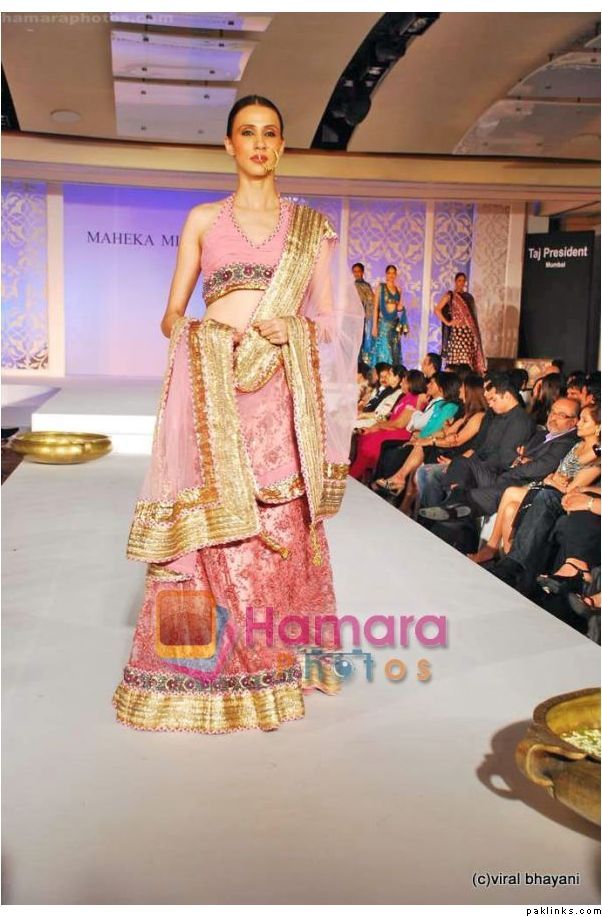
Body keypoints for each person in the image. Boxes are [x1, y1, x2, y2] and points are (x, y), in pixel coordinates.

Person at [112, 95, 364, 735]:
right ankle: (196, 669)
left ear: (281, 146)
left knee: (277, 522)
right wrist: (204, 338)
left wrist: (296, 329)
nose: (258, 143)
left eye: (269, 133)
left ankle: (274, 664)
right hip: (215, 387)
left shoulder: (311, 228)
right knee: (209, 528)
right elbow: (171, 315)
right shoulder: (203, 220)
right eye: (247, 133)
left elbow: (337, 320)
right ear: (229, 144)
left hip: (279, 389)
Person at [349, 369, 426, 481]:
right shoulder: (405, 397)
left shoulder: (414, 399)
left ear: (411, 383)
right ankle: (361, 475)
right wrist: (376, 426)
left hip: (400, 433)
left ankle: (355, 475)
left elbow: (400, 424)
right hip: (390, 428)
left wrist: (379, 426)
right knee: (363, 436)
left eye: (404, 381)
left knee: (369, 442)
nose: (401, 383)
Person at [435, 271, 486, 374]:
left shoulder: (469, 297)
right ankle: (454, 379)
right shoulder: (450, 295)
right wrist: (448, 322)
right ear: (455, 281)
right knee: (456, 360)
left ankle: (466, 378)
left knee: (467, 361)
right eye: (459, 280)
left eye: (463, 281)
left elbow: (473, 318)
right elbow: (437, 310)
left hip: (468, 333)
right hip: (457, 333)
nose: (461, 283)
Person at [371, 264, 409, 366]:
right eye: (389, 273)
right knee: (383, 351)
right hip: (383, 324)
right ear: (386, 274)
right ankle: (382, 373)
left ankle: (393, 374)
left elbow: (399, 308)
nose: (391, 275)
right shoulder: (380, 287)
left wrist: (401, 299)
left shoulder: (398, 289)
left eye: (393, 273)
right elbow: (375, 308)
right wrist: (374, 326)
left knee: (394, 351)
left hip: (394, 325)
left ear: (396, 275)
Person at [352, 262, 375, 365]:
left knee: (365, 339)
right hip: (354, 318)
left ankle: (363, 365)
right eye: (354, 271)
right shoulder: (351, 286)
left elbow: (371, 301)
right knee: (355, 341)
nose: (356, 273)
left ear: (362, 272)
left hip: (366, 317)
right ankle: (355, 364)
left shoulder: (366, 286)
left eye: (358, 271)